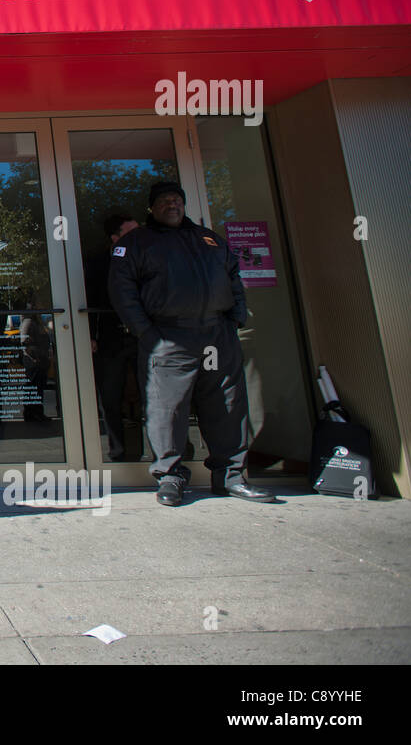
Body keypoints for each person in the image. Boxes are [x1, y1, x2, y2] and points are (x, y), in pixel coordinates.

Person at [108, 183, 276, 507]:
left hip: (215, 339)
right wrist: (148, 333)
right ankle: (170, 476)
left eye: (176, 200)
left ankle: (230, 476)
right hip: (171, 340)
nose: (172, 205)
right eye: (164, 201)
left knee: (225, 404)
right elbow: (122, 290)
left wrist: (235, 319)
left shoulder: (208, 240)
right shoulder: (138, 243)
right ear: (151, 208)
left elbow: (233, 277)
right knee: (167, 409)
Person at [88, 212, 139, 461]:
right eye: (131, 233)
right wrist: (88, 335)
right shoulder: (98, 264)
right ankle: (119, 453)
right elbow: (87, 299)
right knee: (111, 397)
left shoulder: (149, 258)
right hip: (110, 339)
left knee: (157, 397)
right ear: (115, 238)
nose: (139, 237)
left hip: (145, 337)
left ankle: (169, 456)